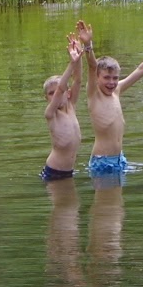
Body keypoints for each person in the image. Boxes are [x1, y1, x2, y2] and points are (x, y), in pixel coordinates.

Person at [80, 27, 143, 177]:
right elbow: (92, 66)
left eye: (115, 78)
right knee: (107, 201)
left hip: (120, 160)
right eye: (106, 78)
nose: (111, 82)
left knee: (118, 201)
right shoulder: (94, 94)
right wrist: (88, 46)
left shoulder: (117, 91)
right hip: (103, 162)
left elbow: (142, 69)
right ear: (96, 78)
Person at [40, 29, 88, 182]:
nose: (56, 95)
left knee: (73, 205)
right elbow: (61, 87)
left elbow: (78, 80)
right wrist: (71, 63)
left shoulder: (71, 106)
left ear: (69, 93)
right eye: (50, 93)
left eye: (59, 92)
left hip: (68, 172)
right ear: (46, 98)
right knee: (66, 207)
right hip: (54, 172)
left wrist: (78, 56)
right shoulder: (51, 114)